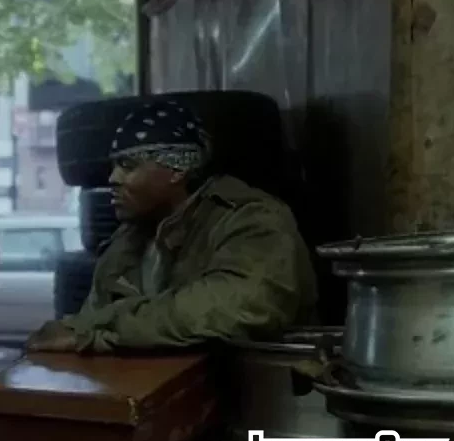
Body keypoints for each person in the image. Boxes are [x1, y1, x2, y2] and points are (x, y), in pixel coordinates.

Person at [26, 99, 317, 354]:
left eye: (128, 165)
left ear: (177, 169)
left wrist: (98, 332)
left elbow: (234, 309)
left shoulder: (252, 219)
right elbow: (90, 322)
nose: (112, 178)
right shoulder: (126, 241)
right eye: (114, 167)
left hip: (270, 392)